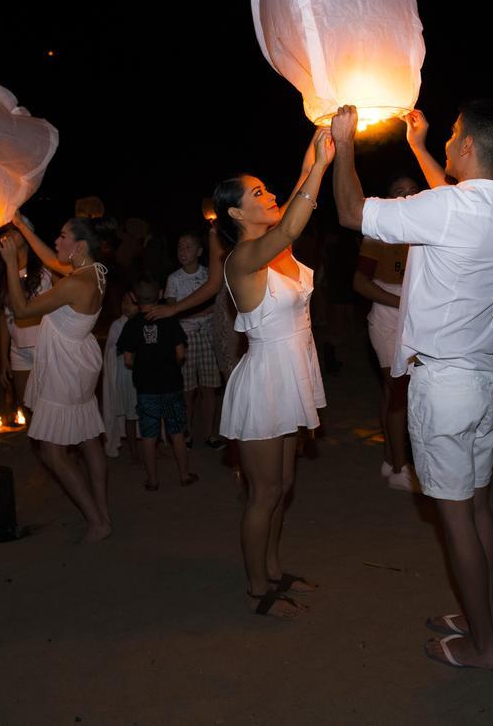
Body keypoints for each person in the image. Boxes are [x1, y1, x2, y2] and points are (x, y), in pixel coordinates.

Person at [334, 102, 493, 671]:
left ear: (467, 146)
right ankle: (481, 617)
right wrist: (418, 147)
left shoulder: (445, 208)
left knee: (455, 517)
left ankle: (484, 647)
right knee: (479, 506)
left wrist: (344, 143)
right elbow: (455, 200)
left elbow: (349, 211)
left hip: (443, 384)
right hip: (482, 378)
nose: (444, 141)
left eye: (449, 136)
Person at [217, 127, 333, 619]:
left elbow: (302, 184)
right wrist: (321, 166)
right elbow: (291, 225)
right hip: (265, 380)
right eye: (257, 193)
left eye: (268, 189)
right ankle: (255, 589)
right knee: (263, 492)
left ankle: (273, 571)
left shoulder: (273, 246)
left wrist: (319, 135)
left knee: (282, 487)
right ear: (235, 213)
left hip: (291, 373)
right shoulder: (246, 256)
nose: (270, 196)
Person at [0, 215, 115, 542]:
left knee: (52, 451)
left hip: (66, 367)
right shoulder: (95, 272)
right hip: (81, 360)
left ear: (79, 245)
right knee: (89, 436)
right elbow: (51, 260)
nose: (56, 241)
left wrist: (10, 263)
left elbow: (21, 311)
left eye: (63, 236)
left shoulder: (74, 284)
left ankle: (97, 520)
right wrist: (23, 225)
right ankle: (102, 511)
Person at [352, 174, 419, 492]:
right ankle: (399, 467)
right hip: (388, 317)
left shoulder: (424, 230)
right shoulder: (377, 235)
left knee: (393, 391)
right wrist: (401, 302)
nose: (406, 196)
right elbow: (360, 284)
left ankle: (388, 457)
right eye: (398, 192)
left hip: (416, 316)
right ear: (390, 199)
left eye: (411, 191)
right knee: (398, 392)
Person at [120, 277, 196, 489]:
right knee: (177, 432)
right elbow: (180, 353)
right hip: (171, 384)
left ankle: (153, 480)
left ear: (134, 297)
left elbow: (127, 359)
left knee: (149, 434)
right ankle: (184, 475)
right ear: (161, 293)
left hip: (146, 388)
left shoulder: (131, 325)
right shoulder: (170, 320)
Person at [165, 231, 220, 449]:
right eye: (180, 247)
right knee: (188, 391)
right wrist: (198, 311)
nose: (183, 251)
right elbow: (171, 310)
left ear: (199, 251)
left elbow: (217, 304)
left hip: (207, 336)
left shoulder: (210, 275)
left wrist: (190, 310)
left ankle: (209, 434)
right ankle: (186, 433)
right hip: (185, 338)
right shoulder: (174, 279)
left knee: (208, 388)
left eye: (188, 247)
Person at [0, 222, 52, 411]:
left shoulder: (46, 271)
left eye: (15, 229)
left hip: (45, 346)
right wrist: (3, 359)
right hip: (18, 350)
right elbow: (4, 318)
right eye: (6, 230)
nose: (9, 233)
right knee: (28, 407)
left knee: (49, 408)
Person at [103, 289, 140, 460]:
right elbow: (111, 349)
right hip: (125, 377)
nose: (125, 305)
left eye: (130, 302)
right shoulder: (117, 325)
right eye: (123, 301)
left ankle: (150, 445)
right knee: (130, 415)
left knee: (146, 412)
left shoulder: (144, 322)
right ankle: (133, 451)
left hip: (142, 376)